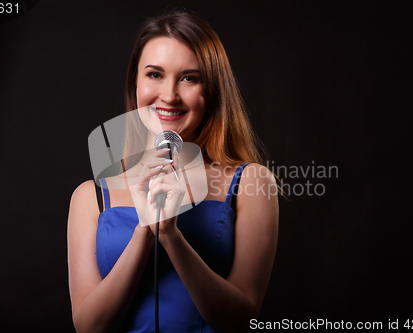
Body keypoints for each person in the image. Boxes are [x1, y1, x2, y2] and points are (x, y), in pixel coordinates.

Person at [67, 10, 279, 333]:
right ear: (134, 83)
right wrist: (144, 230)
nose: (169, 95)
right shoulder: (90, 196)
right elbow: (88, 327)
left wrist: (171, 236)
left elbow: (242, 321)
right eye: (154, 75)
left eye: (189, 78)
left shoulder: (253, 183)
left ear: (212, 91)